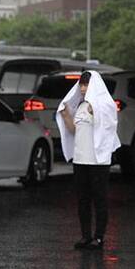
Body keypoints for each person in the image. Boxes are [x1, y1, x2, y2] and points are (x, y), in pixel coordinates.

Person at [56, 71, 121, 250]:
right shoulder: (81, 105)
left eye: (86, 85)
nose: (83, 89)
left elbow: (109, 125)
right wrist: (66, 115)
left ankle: (99, 238)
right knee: (83, 200)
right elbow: (74, 130)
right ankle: (86, 236)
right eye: (81, 85)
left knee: (99, 199)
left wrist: (97, 112)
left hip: (98, 161)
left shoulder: (105, 104)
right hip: (80, 159)